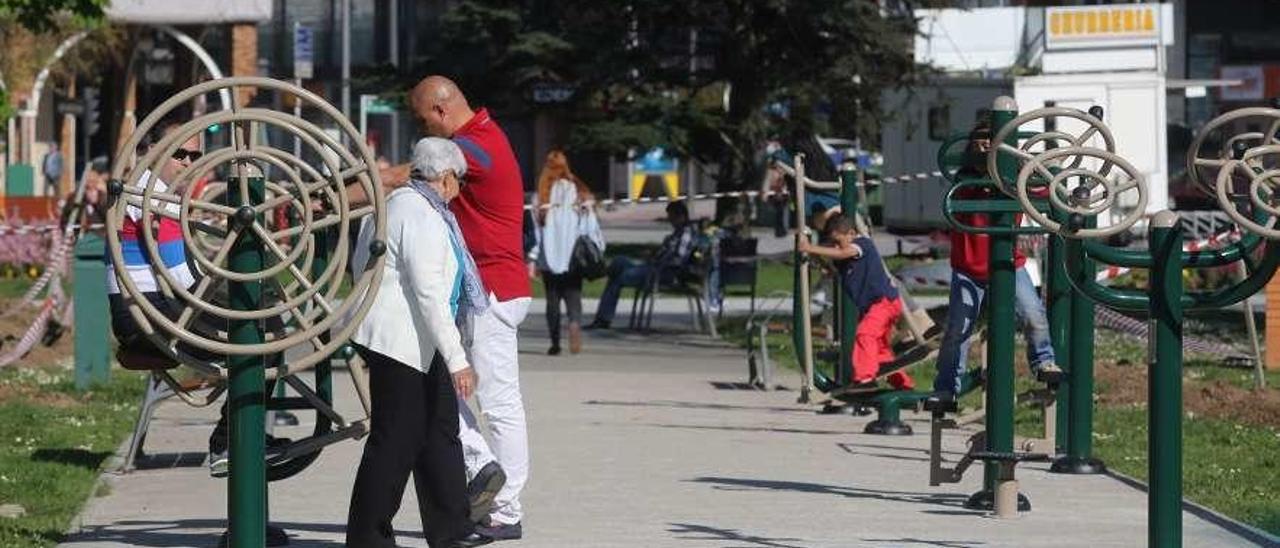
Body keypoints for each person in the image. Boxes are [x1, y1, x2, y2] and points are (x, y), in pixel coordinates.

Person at [103, 121, 280, 476]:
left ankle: (239, 434)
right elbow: (180, 276)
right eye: (178, 153)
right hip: (148, 312)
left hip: (149, 307)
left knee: (262, 319)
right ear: (149, 152)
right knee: (266, 333)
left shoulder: (148, 194)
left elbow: (182, 275)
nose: (186, 162)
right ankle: (230, 441)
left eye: (194, 155)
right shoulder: (151, 197)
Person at [397, 76, 530, 539]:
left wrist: (350, 186)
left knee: (497, 403)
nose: (423, 131)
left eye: (421, 121)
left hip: (491, 291)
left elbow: (410, 175)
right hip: (487, 289)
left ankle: (505, 506)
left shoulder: (477, 148)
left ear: (438, 110)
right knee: (444, 393)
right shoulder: (481, 137)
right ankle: (485, 469)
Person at [346, 138, 492, 548]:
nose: (460, 189)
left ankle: (452, 529)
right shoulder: (420, 215)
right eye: (459, 180)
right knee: (396, 441)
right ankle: (367, 538)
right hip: (402, 343)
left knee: (440, 433)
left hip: (415, 342)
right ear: (445, 177)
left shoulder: (398, 205)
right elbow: (429, 292)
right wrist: (458, 359)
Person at [930, 121, 1062, 403]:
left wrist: (1044, 174)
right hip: (969, 269)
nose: (986, 146)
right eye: (980, 143)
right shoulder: (966, 181)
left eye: (992, 141)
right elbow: (959, 197)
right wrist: (985, 169)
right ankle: (946, 386)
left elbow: (1040, 194)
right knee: (958, 327)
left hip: (1008, 264)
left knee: (1034, 315)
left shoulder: (1014, 178)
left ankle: (1044, 363)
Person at [799, 215, 914, 390]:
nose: (837, 246)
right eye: (833, 243)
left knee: (864, 335)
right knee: (879, 349)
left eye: (839, 241)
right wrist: (813, 255)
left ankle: (865, 379)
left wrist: (810, 247)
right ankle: (904, 385)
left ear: (851, 233)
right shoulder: (845, 261)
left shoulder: (862, 244)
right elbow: (833, 264)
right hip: (874, 308)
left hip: (884, 303)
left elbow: (844, 252)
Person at [585, 200, 699, 330]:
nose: (670, 221)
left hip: (663, 274)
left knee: (618, 278)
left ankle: (603, 319)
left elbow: (678, 258)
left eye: (672, 217)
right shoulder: (678, 233)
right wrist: (653, 255)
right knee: (619, 261)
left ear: (681, 216)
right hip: (652, 268)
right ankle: (600, 276)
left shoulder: (686, 233)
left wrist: (657, 262)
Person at [530, 150, 600, 356]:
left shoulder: (541, 196)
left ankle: (554, 343)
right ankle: (575, 323)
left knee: (552, 299)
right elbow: (589, 225)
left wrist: (533, 258)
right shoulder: (578, 191)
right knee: (573, 295)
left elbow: (537, 233)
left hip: (549, 257)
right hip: (573, 255)